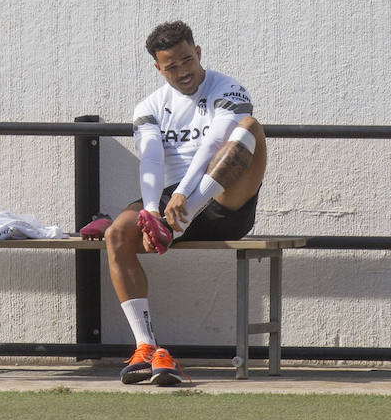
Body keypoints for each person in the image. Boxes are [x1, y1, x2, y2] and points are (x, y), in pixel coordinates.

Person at [100, 21, 267, 386]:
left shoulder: (229, 88)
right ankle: (146, 348)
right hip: (169, 206)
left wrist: (184, 200)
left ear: (199, 53)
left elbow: (213, 144)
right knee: (116, 234)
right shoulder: (149, 106)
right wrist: (150, 210)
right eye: (171, 66)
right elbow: (151, 160)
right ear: (157, 68)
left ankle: (179, 219)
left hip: (220, 196)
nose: (183, 71)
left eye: (187, 60)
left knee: (250, 126)